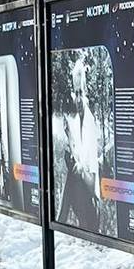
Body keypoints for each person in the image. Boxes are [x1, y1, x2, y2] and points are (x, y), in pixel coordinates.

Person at [57, 58, 101, 231]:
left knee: (72, 178)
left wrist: (82, 168)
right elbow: (74, 149)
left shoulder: (90, 121)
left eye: (81, 92)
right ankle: (59, 220)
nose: (78, 98)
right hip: (80, 185)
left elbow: (92, 169)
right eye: (76, 93)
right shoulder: (74, 121)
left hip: (89, 187)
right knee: (71, 174)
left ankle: (60, 219)